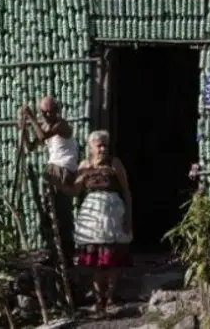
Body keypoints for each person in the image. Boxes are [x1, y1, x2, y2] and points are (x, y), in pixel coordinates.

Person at [70, 130, 133, 316]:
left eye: (105, 145)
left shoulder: (115, 164)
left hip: (112, 213)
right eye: (99, 145)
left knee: (112, 259)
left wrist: (128, 218)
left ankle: (111, 296)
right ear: (91, 147)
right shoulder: (85, 164)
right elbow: (75, 191)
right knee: (97, 262)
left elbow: (127, 192)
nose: (103, 148)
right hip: (92, 216)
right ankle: (99, 300)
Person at [21, 95, 78, 268]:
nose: (46, 115)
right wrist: (23, 129)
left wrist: (31, 117)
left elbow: (43, 135)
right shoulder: (46, 125)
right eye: (43, 112)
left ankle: (66, 256)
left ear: (57, 110)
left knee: (61, 212)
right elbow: (31, 147)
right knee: (50, 213)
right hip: (53, 169)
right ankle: (55, 254)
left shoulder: (62, 125)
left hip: (63, 169)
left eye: (49, 111)